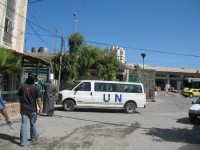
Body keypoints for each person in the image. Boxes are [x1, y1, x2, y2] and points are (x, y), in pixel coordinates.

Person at [18, 73, 42, 146]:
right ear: (34, 80)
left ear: (27, 79)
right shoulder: (36, 88)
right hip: (33, 109)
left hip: (24, 108)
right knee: (33, 123)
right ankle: (34, 137)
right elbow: (38, 100)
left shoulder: (22, 87)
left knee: (23, 124)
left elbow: (19, 97)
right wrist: (40, 108)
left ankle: (23, 142)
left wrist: (21, 104)